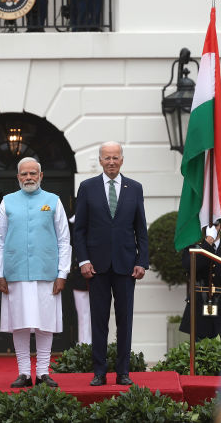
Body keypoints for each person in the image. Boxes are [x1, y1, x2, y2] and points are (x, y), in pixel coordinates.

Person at [73, 141, 149, 387]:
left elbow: (141, 229)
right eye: (107, 158)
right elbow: (80, 230)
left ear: (122, 160)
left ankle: (123, 372)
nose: (111, 162)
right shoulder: (87, 188)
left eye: (115, 157)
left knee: (125, 321)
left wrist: (142, 261)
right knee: (99, 321)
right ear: (100, 160)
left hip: (127, 266)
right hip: (96, 267)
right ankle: (99, 372)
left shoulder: (135, 188)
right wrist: (83, 260)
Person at [0, 157, 71, 388]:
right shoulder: (7, 202)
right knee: (21, 324)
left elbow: (64, 239)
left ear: (41, 175)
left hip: (47, 274)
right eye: (24, 174)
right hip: (15, 273)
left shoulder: (53, 201)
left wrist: (62, 273)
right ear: (18, 177)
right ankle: (24, 373)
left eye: (32, 173)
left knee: (45, 324)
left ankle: (43, 372)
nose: (28, 178)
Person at [180, 219, 221, 341]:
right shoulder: (193, 249)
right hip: (199, 305)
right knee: (199, 351)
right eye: (208, 224)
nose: (212, 228)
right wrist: (208, 242)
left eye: (215, 224)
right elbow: (190, 267)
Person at [66, 211, 91, 345]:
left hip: (98, 273)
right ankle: (84, 346)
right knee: (82, 314)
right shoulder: (69, 225)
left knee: (99, 314)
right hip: (78, 275)